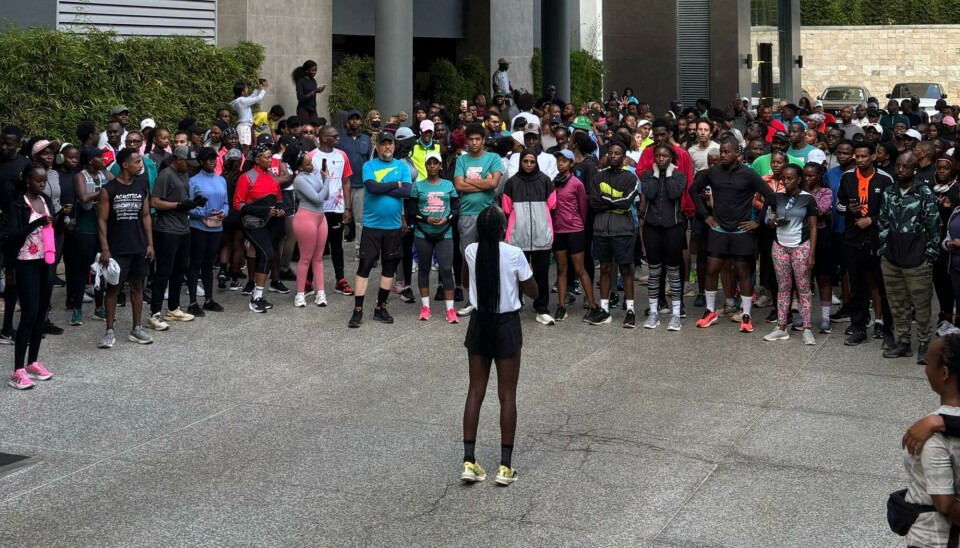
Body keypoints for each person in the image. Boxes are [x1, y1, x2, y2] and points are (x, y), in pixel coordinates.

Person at [460, 205, 536, 487]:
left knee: (475, 391)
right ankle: (505, 467)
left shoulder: (471, 251)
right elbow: (533, 290)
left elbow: (467, 282)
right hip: (506, 326)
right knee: (507, 395)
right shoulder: (514, 254)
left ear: (479, 229)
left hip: (479, 323)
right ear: (503, 229)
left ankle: (469, 461)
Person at [689, 138, 775, 333]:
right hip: (718, 229)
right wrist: (705, 216)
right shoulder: (713, 172)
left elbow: (770, 195)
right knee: (712, 269)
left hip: (741, 230)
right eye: (721, 151)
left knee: (743, 272)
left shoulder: (749, 174)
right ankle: (710, 311)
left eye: (727, 152)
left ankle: (746, 315)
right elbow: (693, 190)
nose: (723, 155)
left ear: (738, 153)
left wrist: (758, 221)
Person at [894, 336, 960, 547]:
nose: (925, 370)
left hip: (933, 539)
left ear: (944, 373)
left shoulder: (930, 438)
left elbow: (945, 505)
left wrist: (936, 422)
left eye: (929, 363)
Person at [877, 152, 940, 363]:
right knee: (897, 303)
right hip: (892, 258)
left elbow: (933, 225)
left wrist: (930, 254)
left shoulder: (924, 193)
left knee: (921, 305)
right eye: (898, 166)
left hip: (918, 260)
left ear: (914, 169)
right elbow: (883, 221)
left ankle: (924, 344)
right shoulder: (889, 191)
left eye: (905, 167)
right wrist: (884, 248)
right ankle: (903, 342)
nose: (900, 170)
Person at [347, 131, 411, 327]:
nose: (387, 148)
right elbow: (372, 188)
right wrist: (394, 184)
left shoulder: (402, 166)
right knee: (364, 267)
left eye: (389, 144)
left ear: (393, 145)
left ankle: (380, 307)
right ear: (378, 145)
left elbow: (407, 191)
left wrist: (384, 185)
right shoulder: (369, 165)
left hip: (392, 227)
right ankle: (357, 309)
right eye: (383, 144)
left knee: (389, 268)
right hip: (372, 226)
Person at [836, 141, 895, 348]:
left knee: (882, 286)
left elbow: (892, 210)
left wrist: (871, 220)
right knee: (856, 286)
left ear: (873, 157)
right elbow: (839, 204)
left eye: (864, 156)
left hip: (878, 240)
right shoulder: (847, 177)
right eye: (857, 156)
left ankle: (887, 330)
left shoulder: (885, 179)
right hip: (853, 239)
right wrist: (849, 210)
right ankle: (858, 327)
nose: (860, 160)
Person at [4, 163, 57, 389]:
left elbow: (52, 229)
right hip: (26, 264)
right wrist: (35, 222)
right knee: (28, 315)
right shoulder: (18, 205)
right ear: (27, 180)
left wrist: (63, 219)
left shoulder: (45, 200)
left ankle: (32, 362)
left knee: (40, 315)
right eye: (37, 180)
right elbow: (12, 238)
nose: (42, 184)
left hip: (46, 262)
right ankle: (17, 371)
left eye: (44, 180)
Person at [97, 148, 154, 348]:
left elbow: (146, 216)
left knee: (137, 286)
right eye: (137, 161)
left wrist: (150, 244)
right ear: (125, 164)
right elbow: (102, 220)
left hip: (138, 246)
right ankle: (109, 331)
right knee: (113, 288)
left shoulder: (142, 186)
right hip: (117, 248)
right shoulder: (108, 189)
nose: (141, 165)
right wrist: (105, 248)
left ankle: (137, 328)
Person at [761, 164, 818, 345]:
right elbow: (768, 220)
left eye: (790, 178)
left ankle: (807, 328)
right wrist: (773, 221)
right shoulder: (776, 197)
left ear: (799, 179)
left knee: (804, 289)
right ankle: (781, 327)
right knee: (783, 288)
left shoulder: (808, 199)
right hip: (779, 245)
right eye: (783, 178)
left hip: (800, 246)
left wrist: (811, 254)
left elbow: (814, 227)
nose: (785, 181)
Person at [148, 146, 201, 330]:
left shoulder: (184, 174)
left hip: (183, 228)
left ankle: (173, 308)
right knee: (163, 271)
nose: (190, 167)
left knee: (180, 269)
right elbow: (154, 202)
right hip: (167, 230)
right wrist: (179, 205)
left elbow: (182, 198)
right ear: (178, 159)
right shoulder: (165, 175)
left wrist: (193, 202)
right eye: (188, 162)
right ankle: (154, 314)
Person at [588, 139, 640, 327]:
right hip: (601, 229)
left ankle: (631, 310)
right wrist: (612, 202)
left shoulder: (630, 178)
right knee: (604, 269)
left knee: (625, 269)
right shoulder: (598, 177)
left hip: (623, 230)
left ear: (624, 157)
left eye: (617, 153)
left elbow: (626, 202)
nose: (612, 156)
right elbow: (593, 202)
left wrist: (605, 201)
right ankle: (604, 310)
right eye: (610, 153)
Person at [501, 149, 556, 325]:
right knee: (515, 274)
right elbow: (507, 209)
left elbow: (552, 204)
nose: (529, 165)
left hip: (541, 235)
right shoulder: (511, 183)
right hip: (518, 236)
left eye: (532, 161)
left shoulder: (545, 181)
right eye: (526, 161)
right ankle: (514, 305)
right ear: (520, 162)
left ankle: (542, 308)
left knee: (541, 274)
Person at [453, 124, 503, 316]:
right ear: (467, 141)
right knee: (469, 258)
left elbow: (494, 183)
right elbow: (458, 185)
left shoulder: (493, 158)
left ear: (483, 140)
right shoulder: (461, 160)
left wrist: (468, 181)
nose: (474, 143)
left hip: (488, 215)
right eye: (471, 139)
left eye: (477, 139)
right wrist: (483, 181)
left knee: (489, 256)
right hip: (466, 215)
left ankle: (490, 298)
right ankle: (471, 299)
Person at [639, 144, 687, 331]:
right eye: (657, 156)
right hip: (652, 228)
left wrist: (667, 174)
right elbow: (649, 194)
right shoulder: (647, 176)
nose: (661, 159)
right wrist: (655, 174)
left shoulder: (678, 176)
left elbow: (674, 193)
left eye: (665, 156)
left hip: (673, 228)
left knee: (673, 271)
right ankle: (653, 313)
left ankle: (676, 314)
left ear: (671, 158)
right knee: (654, 271)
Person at [234, 144, 285, 313]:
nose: (270, 160)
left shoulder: (271, 176)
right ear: (257, 159)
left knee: (268, 255)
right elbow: (238, 204)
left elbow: (278, 197)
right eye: (266, 157)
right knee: (266, 254)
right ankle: (256, 298)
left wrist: (279, 208)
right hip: (252, 222)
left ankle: (258, 296)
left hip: (270, 221)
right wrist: (264, 210)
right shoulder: (246, 177)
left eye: (271, 157)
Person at [410, 151, 459, 322]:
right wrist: (425, 219)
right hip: (422, 233)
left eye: (435, 163)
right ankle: (425, 307)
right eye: (429, 163)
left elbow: (455, 209)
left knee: (446, 269)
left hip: (445, 233)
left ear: (440, 166)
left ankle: (450, 309)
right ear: (425, 165)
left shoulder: (448, 185)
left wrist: (447, 219)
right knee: (423, 269)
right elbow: (411, 212)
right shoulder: (418, 186)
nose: (432, 166)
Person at [550, 149, 597, 321]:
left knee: (579, 268)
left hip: (575, 230)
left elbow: (583, 209)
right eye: (558, 160)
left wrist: (579, 226)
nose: (560, 163)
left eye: (564, 160)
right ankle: (561, 305)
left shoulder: (577, 183)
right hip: (558, 230)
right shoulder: (553, 183)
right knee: (562, 269)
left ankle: (593, 305)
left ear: (571, 164)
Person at [185, 147, 227, 316]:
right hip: (199, 226)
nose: (212, 161)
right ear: (201, 161)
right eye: (208, 159)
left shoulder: (221, 180)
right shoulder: (193, 181)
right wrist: (204, 213)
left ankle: (209, 299)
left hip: (217, 226)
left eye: (213, 158)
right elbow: (189, 206)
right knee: (196, 263)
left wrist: (224, 212)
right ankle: (193, 302)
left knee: (209, 264)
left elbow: (226, 203)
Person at [289, 144, 330, 307]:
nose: (311, 165)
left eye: (311, 162)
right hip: (306, 218)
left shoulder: (312, 176)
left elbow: (325, 196)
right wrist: (327, 180)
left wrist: (325, 179)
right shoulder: (299, 180)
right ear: (299, 167)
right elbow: (317, 198)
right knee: (305, 258)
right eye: (307, 164)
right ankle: (300, 294)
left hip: (320, 217)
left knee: (318, 258)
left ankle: (321, 292)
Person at [802, 160, 836, 334]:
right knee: (802, 280)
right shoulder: (797, 192)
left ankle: (825, 317)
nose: (807, 179)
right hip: (801, 237)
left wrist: (803, 204)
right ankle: (803, 314)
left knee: (823, 278)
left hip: (822, 237)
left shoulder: (825, 192)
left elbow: (820, 210)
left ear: (818, 176)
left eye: (811, 175)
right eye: (805, 175)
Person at [230, 79, 268, 155]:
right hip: (244, 127)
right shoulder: (241, 101)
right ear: (242, 92)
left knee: (246, 148)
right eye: (246, 88)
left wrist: (257, 89)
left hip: (245, 127)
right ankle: (243, 165)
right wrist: (264, 89)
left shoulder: (240, 100)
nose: (247, 89)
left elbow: (251, 98)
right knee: (245, 149)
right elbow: (257, 99)